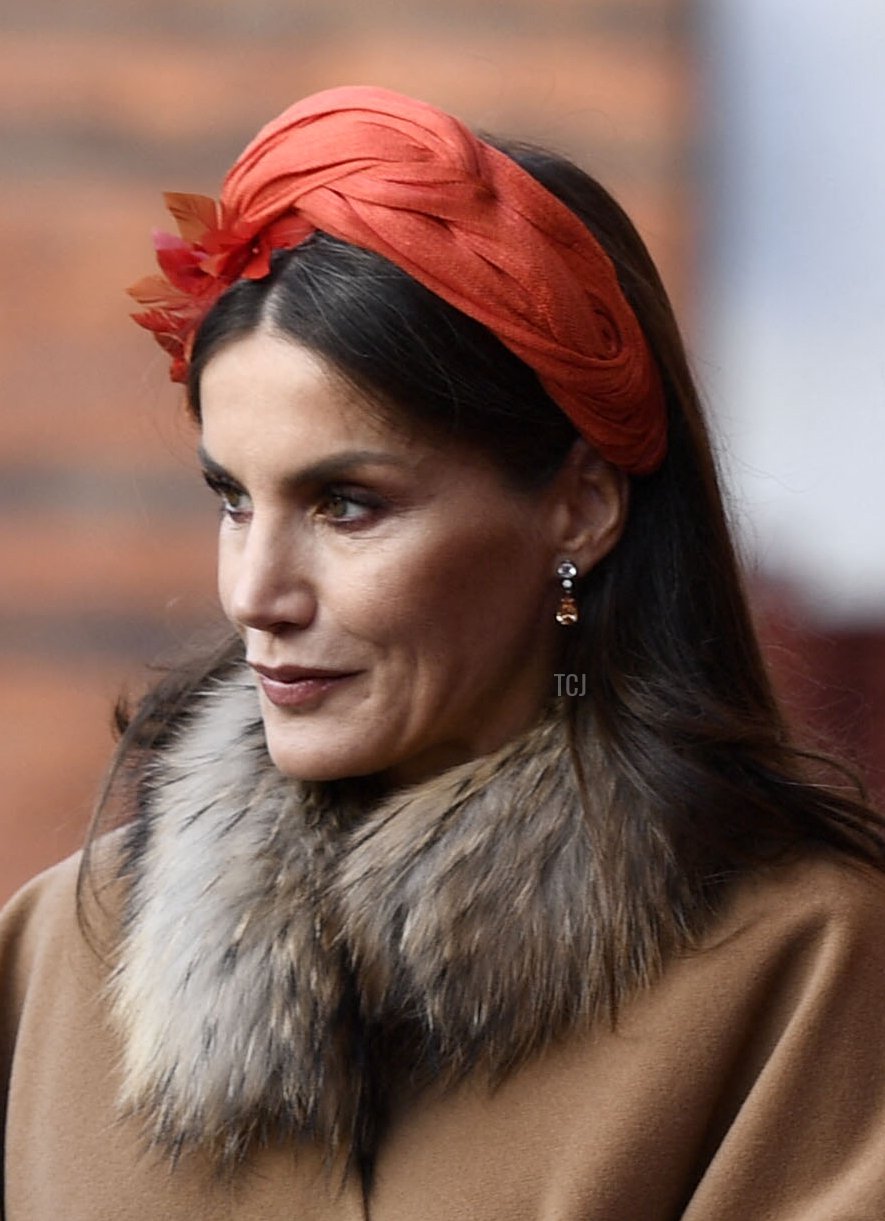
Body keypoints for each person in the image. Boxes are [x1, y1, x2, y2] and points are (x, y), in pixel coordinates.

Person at [3, 85, 885, 1221]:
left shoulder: (803, 973)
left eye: (348, 505)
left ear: (580, 507)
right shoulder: (58, 955)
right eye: (232, 498)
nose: (253, 594)